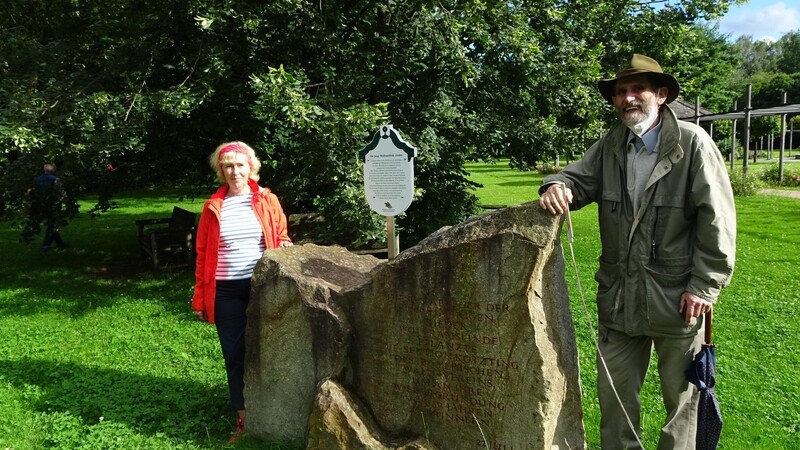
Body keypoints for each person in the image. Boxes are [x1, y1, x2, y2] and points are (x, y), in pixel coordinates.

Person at [538, 54, 736, 449]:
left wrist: (704, 286)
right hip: (619, 300)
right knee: (615, 403)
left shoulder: (692, 143)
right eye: (621, 92)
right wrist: (556, 186)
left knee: (682, 406)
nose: (628, 98)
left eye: (637, 89)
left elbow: (718, 219)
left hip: (677, 299)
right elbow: (576, 178)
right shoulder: (611, 144)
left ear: (660, 95)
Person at [191, 141, 293, 443]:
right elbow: (202, 254)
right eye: (228, 166)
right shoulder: (213, 206)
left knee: (269, 349)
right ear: (221, 171)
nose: (234, 171)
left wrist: (286, 246)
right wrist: (200, 297)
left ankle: (277, 409)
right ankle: (244, 417)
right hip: (225, 291)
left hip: (262, 287)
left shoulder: (266, 200)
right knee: (234, 355)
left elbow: (282, 234)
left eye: (240, 165)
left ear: (251, 167)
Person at [31, 163, 69, 252]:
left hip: (41, 205)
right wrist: (67, 202)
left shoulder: (37, 180)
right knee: (52, 225)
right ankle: (46, 246)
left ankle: (60, 243)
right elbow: (61, 192)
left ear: (44, 170)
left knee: (52, 224)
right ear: (54, 170)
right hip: (53, 205)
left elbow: (33, 193)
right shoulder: (55, 179)